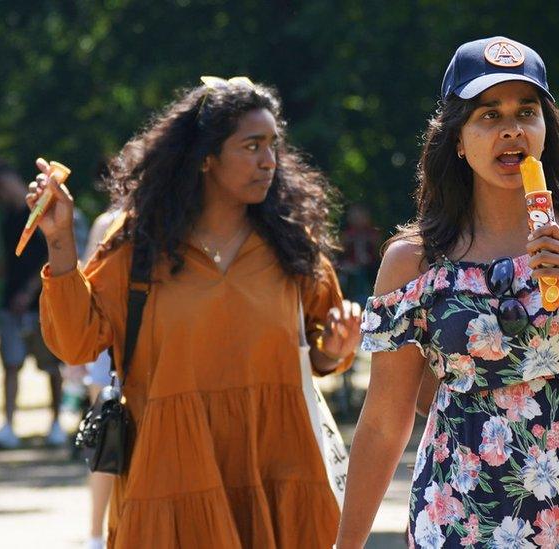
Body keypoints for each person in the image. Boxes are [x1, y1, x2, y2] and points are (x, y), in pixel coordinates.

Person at [337, 37, 559, 548]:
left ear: (546, 129)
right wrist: (346, 543)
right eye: (488, 115)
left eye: (527, 111)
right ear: (457, 138)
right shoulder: (415, 260)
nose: (512, 129)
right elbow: (385, 421)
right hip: (459, 516)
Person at [29, 77, 362, 548]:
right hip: (170, 479)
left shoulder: (292, 247)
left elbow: (321, 354)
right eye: (251, 146)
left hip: (279, 468)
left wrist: (335, 350)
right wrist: (58, 240)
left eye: (273, 146)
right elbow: (75, 343)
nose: (269, 161)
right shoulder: (138, 247)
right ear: (207, 157)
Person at [0, 161, 87, 449]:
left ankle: (57, 423)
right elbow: (11, 260)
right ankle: (9, 426)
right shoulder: (8, 218)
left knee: (51, 366)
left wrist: (29, 291)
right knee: (11, 364)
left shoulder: (42, 211)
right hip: (11, 304)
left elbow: (50, 255)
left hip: (41, 304)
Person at [78, 206, 121, 549]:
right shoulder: (108, 223)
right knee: (108, 443)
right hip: (107, 351)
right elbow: (85, 282)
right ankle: (96, 534)